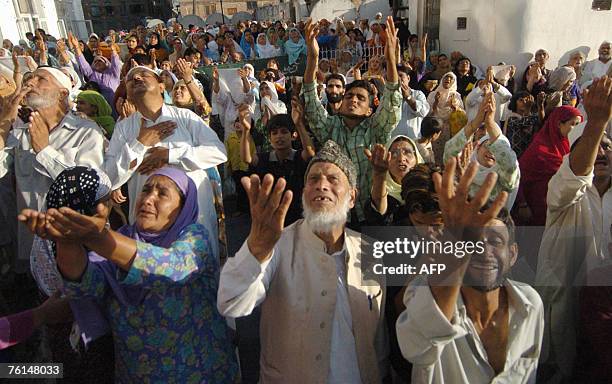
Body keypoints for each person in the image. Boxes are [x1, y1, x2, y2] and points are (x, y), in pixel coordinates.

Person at [19, 168, 239, 382]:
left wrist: (96, 238)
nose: (148, 199)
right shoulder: (121, 239)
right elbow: (86, 285)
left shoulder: (194, 237)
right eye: (146, 190)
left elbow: (174, 267)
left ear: (182, 207)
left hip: (201, 372)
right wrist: (67, 241)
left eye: (162, 193)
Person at [218, 141, 387, 383]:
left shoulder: (371, 252)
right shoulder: (276, 244)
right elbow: (231, 304)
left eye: (333, 179)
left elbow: (381, 339)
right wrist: (255, 250)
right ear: (304, 192)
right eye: (314, 179)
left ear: (352, 197)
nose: (322, 186)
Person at [396, 157, 544, 384]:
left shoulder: (531, 306)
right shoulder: (422, 289)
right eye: (472, 241)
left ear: (513, 254)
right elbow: (415, 344)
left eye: (495, 241)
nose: (483, 249)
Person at [103, 65, 227, 260]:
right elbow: (108, 178)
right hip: (149, 222)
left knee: (199, 275)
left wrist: (169, 155)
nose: (136, 78)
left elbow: (218, 152)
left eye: (143, 74)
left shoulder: (185, 117)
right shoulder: (124, 129)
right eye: (130, 78)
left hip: (194, 218)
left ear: (161, 86)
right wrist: (140, 144)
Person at [535, 76, 612, 384]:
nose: (601, 153)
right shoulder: (564, 187)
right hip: (568, 302)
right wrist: (596, 125)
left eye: (607, 146)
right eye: (594, 148)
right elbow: (578, 176)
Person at [0, 67, 106, 272]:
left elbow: (91, 188)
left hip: (71, 243)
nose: (30, 83)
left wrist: (45, 151)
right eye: (29, 78)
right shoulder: (22, 133)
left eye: (41, 79)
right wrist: (4, 124)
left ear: (63, 93)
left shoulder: (86, 132)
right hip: (31, 241)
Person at [302, 17, 402, 228]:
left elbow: (392, 97)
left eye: (360, 98)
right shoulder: (330, 126)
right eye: (349, 97)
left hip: (371, 213)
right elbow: (310, 98)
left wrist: (391, 59)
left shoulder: (376, 128)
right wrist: (313, 57)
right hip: (337, 216)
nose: (353, 100)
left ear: (370, 110)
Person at [444, 91, 520, 209]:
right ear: (477, 148)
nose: (492, 152)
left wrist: (490, 122)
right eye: (488, 146)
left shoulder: (505, 177)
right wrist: (475, 123)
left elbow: (510, 165)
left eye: (497, 149)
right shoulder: (464, 167)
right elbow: (449, 154)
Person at [516, 106, 583, 226]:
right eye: (573, 124)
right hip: (538, 208)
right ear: (558, 124)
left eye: (578, 124)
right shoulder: (539, 148)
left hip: (563, 209)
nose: (576, 128)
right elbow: (518, 175)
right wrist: (522, 204)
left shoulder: (572, 146)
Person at [364, 135, 425, 226]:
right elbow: (378, 216)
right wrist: (380, 173)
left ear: (417, 158)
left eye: (407, 152)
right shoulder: (380, 191)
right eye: (394, 154)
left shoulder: (427, 188)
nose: (401, 159)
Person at [68, 32, 121, 107]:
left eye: (100, 61)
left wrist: (113, 50)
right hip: (97, 107)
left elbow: (115, 62)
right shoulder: (92, 74)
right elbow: (82, 62)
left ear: (106, 64)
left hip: (115, 105)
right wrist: (76, 47)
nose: (97, 62)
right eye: (95, 61)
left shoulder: (113, 73)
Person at [427, 72, 464, 166]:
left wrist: (455, 108)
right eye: (446, 78)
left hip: (450, 128)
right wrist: (436, 102)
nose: (448, 80)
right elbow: (427, 113)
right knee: (434, 153)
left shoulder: (457, 96)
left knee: (447, 152)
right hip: (435, 127)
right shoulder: (433, 94)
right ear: (442, 80)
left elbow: (462, 115)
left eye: (451, 79)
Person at [391, 65, 430, 139]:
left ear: (408, 78)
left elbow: (423, 112)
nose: (398, 79)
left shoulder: (418, 94)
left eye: (401, 75)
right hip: (393, 140)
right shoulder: (389, 96)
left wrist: (408, 97)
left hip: (412, 140)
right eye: (396, 76)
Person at [503, 91, 543, 158]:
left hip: (527, 156)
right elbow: (525, 124)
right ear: (514, 102)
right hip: (514, 156)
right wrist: (528, 108)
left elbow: (541, 121)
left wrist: (540, 105)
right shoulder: (511, 117)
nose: (524, 102)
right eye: (521, 100)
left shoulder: (531, 116)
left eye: (526, 100)